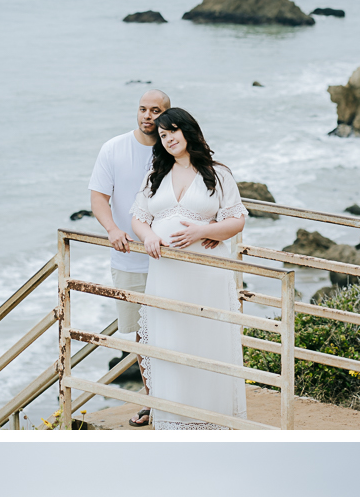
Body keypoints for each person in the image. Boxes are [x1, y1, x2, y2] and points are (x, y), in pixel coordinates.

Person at [130, 108, 248, 430]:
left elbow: (236, 220)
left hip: (205, 274)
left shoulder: (217, 174)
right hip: (166, 275)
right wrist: (149, 235)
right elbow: (138, 217)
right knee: (170, 342)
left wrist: (203, 231)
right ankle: (173, 419)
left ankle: (212, 420)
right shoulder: (155, 174)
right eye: (163, 135)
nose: (168, 139)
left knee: (207, 341)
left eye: (173, 132)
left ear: (188, 131)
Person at [88, 90, 171, 427]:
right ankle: (152, 401)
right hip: (129, 260)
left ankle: (176, 399)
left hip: (171, 260)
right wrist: (111, 229)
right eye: (142, 109)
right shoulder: (114, 148)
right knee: (143, 335)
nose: (148, 116)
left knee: (174, 330)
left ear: (167, 114)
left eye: (156, 110)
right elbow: (98, 197)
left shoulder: (173, 148)